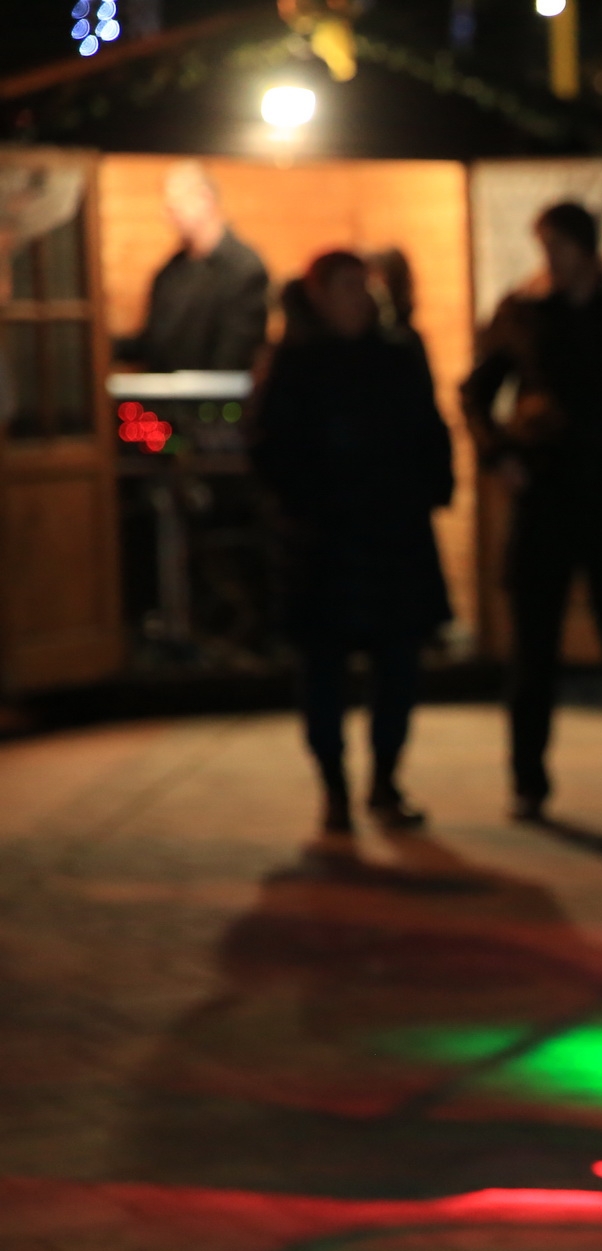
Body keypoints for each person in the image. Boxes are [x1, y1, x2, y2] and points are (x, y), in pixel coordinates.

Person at [460, 202, 602, 824]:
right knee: (533, 646)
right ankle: (528, 781)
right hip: (546, 495)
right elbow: (477, 391)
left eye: (557, 246)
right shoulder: (526, 311)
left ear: (585, 249)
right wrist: (499, 454)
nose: (550, 260)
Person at [252, 251, 455, 834]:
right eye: (346, 286)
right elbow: (272, 449)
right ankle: (335, 787)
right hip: (326, 542)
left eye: (363, 286)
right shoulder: (296, 363)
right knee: (323, 670)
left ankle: (384, 779)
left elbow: (427, 428)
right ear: (319, 296)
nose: (359, 298)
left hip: (392, 536)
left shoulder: (397, 354)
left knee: (398, 667)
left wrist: (427, 489)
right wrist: (310, 505)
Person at [115, 160, 269, 372]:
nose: (167, 216)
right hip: (169, 390)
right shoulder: (170, 271)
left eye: (174, 207)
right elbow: (154, 345)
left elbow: (234, 359)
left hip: (213, 392)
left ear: (205, 199)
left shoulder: (243, 268)